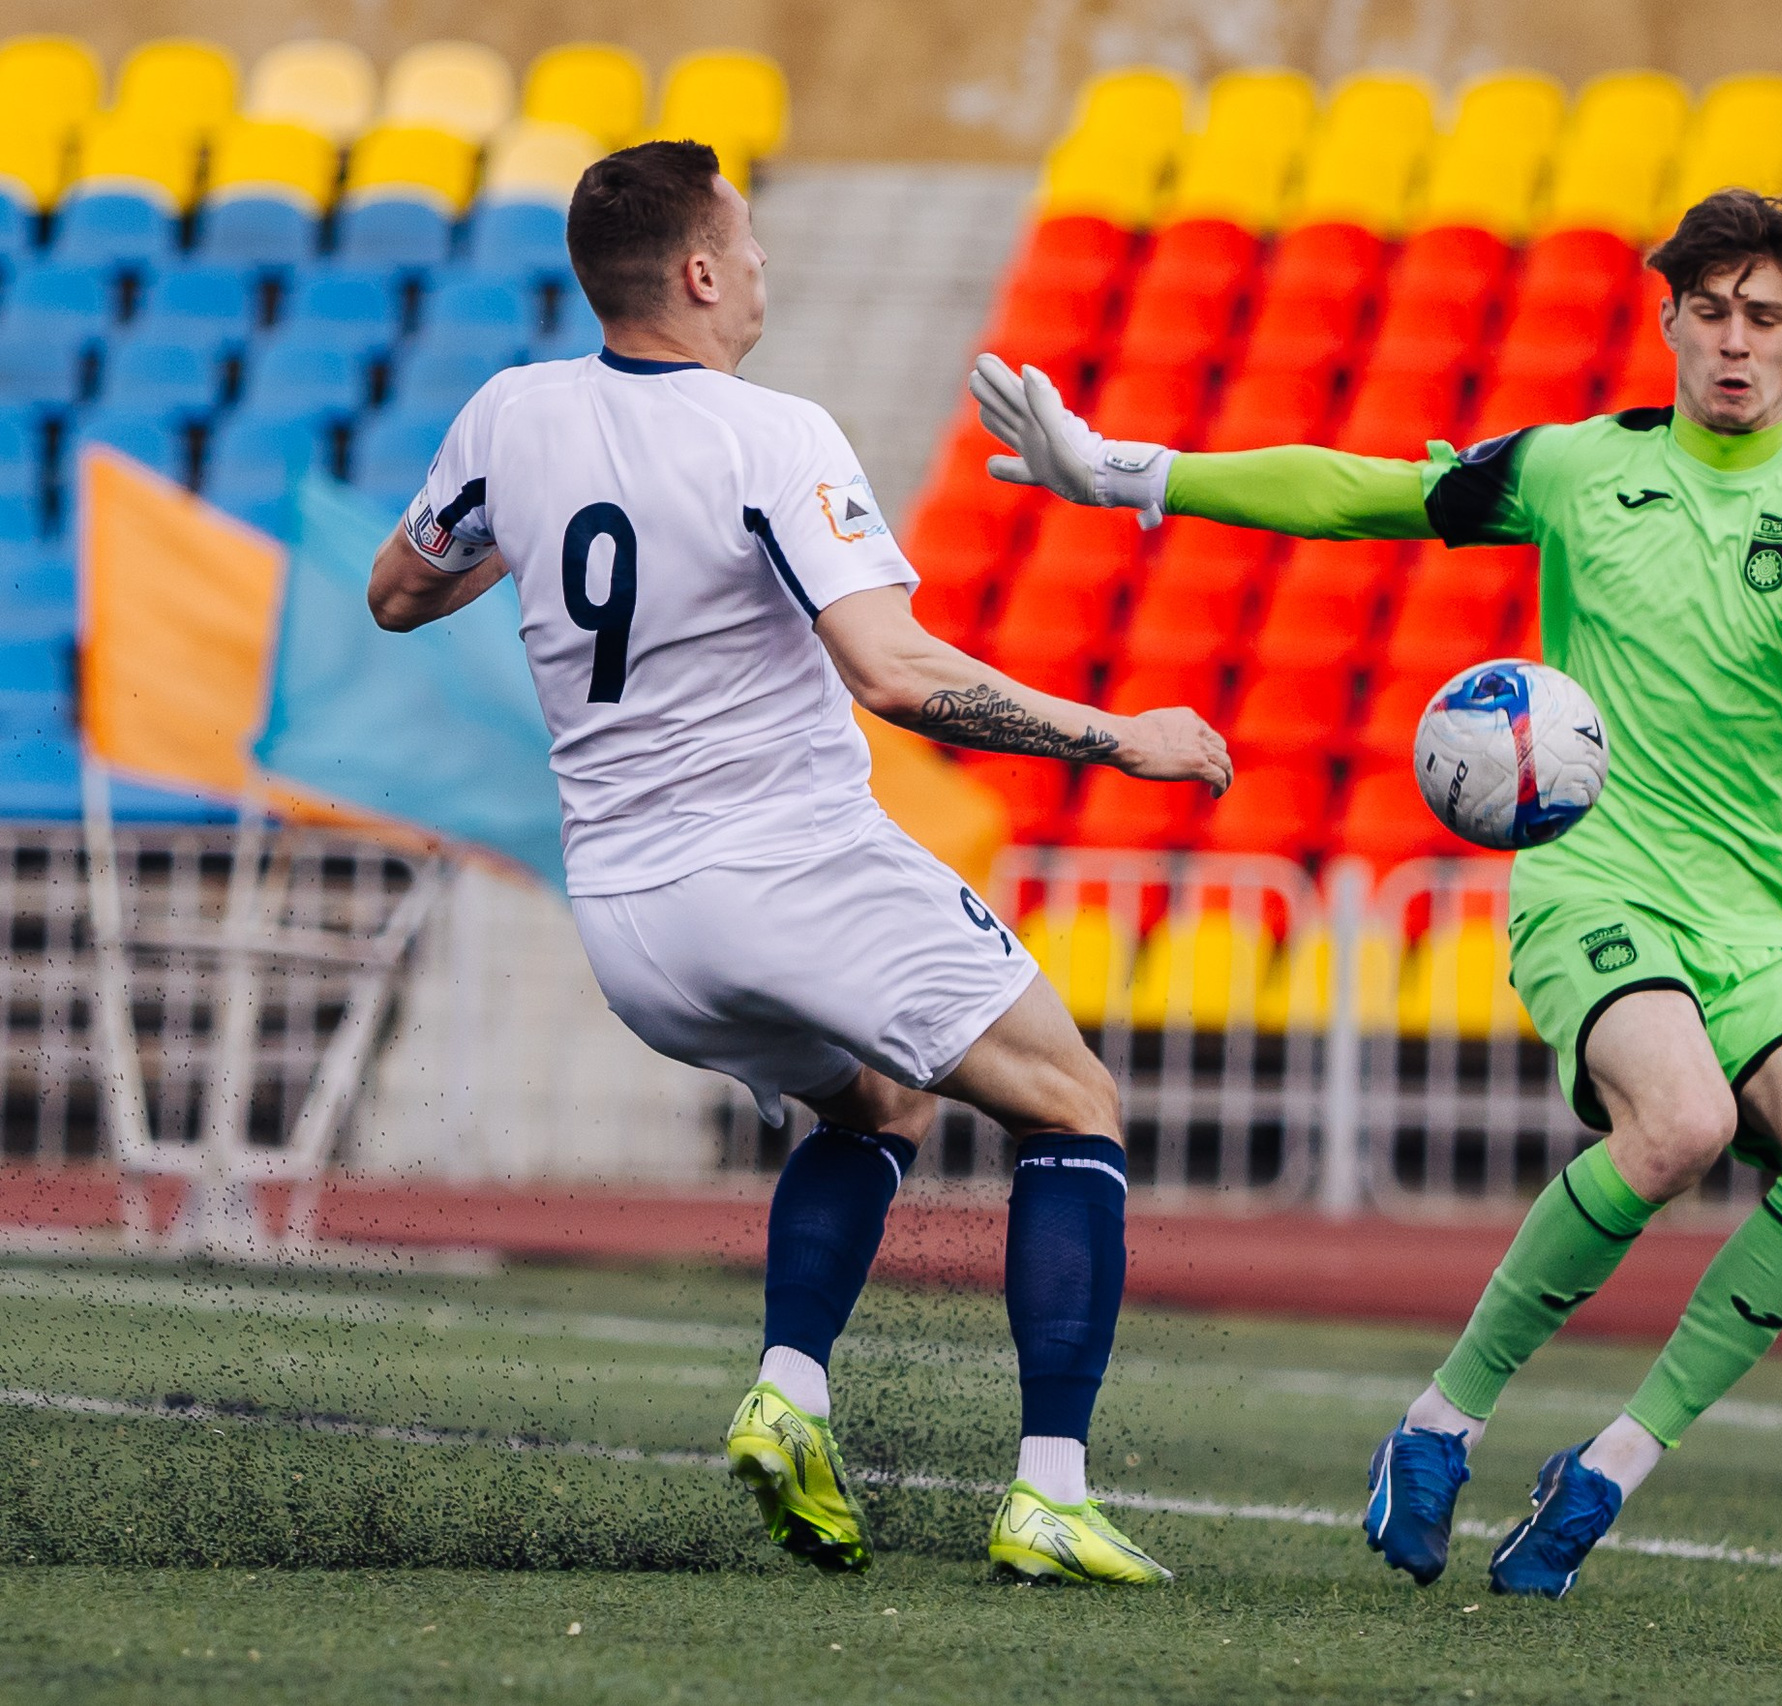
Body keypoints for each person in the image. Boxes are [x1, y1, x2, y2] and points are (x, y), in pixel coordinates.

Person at [970, 186, 1782, 1598]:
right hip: (1591, 879)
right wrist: (1125, 473)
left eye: (1767, 320)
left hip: (1755, 920)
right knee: (1681, 1120)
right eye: (1713, 312)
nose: (1736, 343)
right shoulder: (1574, 467)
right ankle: (1439, 1425)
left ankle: (1608, 1467)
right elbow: (1366, 488)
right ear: (1668, 317)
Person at [367, 140, 1230, 1586]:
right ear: (700, 272)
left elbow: (401, 591)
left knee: (878, 1102)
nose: (764, 263)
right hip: (787, 873)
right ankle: (1051, 1490)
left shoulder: (509, 416)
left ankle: (792, 1388)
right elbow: (889, 670)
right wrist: (1118, 735)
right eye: (748, 241)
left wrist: (526, 531)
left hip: (633, 929)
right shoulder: (774, 433)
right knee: (1072, 1101)